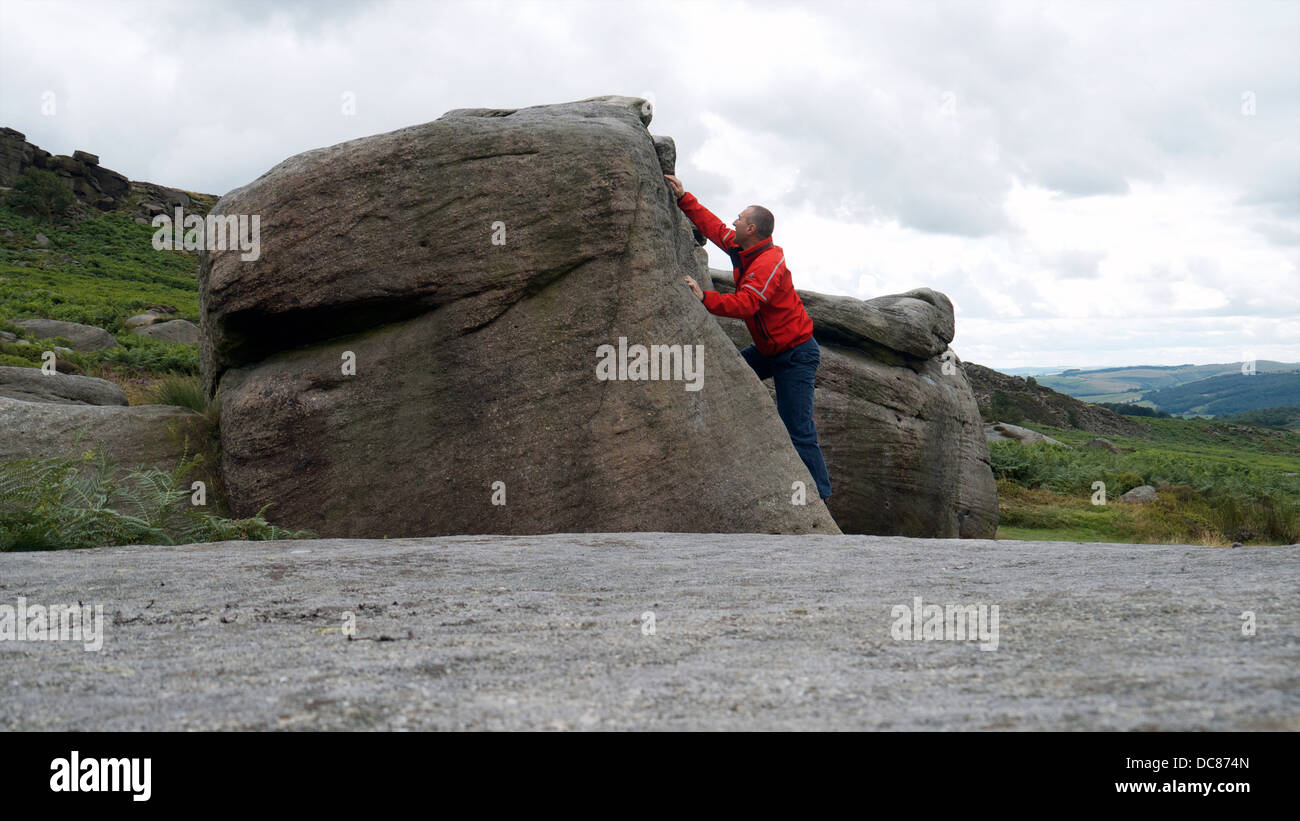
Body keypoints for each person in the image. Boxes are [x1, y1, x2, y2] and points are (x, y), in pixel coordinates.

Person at [663, 173, 832, 501]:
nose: (734, 221)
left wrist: (704, 298)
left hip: (795, 354)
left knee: (798, 429)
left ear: (752, 229)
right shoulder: (744, 248)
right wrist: (684, 198)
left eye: (740, 218)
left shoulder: (768, 263)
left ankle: (820, 499)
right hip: (770, 349)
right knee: (726, 378)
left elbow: (747, 304)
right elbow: (714, 229)